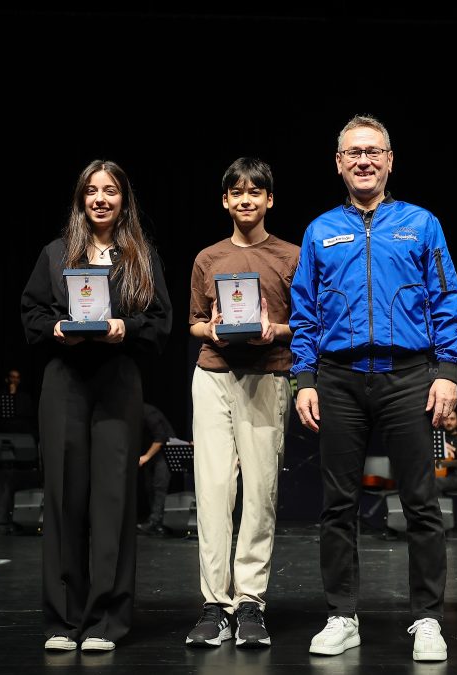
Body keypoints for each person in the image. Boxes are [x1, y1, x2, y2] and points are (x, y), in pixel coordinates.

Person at [290, 115, 457, 662]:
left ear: (390, 160)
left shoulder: (422, 224)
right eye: (352, 153)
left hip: (409, 375)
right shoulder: (320, 230)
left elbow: (445, 298)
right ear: (338, 163)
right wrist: (304, 378)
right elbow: (304, 311)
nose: (363, 161)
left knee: (421, 503)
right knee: (338, 504)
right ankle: (342, 615)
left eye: (373, 151)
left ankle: (428, 619)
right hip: (339, 379)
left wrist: (448, 371)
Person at [21, 159, 172, 653]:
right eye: (92, 191)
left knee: (112, 500)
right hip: (65, 380)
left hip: (117, 379)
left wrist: (126, 326)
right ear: (81, 199)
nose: (101, 199)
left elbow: (160, 322)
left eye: (111, 190)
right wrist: (56, 328)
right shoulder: (56, 253)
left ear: (124, 199)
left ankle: (107, 619)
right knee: (64, 497)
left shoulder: (139, 256)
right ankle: (64, 620)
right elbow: (32, 313)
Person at [185, 157, 298, 650]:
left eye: (256, 191)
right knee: (212, 493)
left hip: (267, 375)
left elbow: (311, 323)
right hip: (213, 374)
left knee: (259, 494)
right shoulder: (207, 258)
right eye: (237, 192)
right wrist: (207, 328)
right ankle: (215, 604)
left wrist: (277, 329)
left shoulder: (291, 256)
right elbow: (192, 322)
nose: (246, 199)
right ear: (225, 200)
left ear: (269, 199)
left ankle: (250, 601)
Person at [137, 402, 175, 537]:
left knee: (159, 486)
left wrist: (146, 456)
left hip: (165, 451)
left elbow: (160, 438)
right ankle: (155, 522)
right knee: (149, 486)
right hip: (152, 452)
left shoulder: (148, 413)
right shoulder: (137, 415)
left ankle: (156, 521)